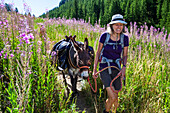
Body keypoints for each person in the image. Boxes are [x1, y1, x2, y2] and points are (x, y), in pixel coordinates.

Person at [93, 14, 129, 113]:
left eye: (121, 25)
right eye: (116, 24)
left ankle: (112, 111)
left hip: (117, 69)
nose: (118, 27)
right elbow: (98, 53)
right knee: (112, 96)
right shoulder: (104, 36)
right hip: (104, 68)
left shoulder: (125, 38)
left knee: (116, 98)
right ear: (111, 25)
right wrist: (94, 69)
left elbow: (125, 55)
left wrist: (124, 68)